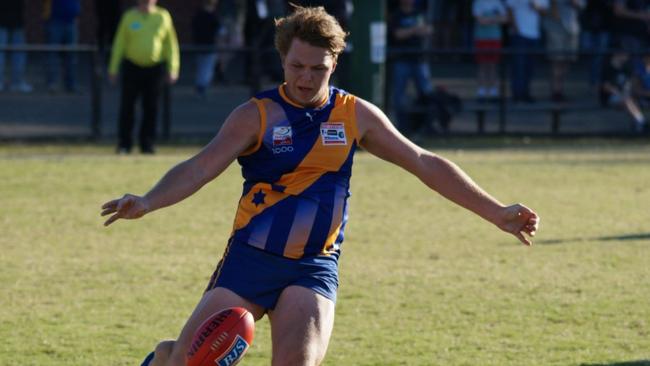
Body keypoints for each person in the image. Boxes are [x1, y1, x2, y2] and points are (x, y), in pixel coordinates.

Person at [100, 6, 540, 366]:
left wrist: (495, 211)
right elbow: (200, 167)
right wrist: (149, 200)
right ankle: (164, 356)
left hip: (313, 266)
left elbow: (423, 161)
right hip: (250, 260)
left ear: (336, 63)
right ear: (282, 60)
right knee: (184, 363)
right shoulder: (254, 115)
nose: (306, 78)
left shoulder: (354, 114)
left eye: (318, 68)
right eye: (297, 66)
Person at [108, 0, 180, 154]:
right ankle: (124, 144)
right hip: (132, 67)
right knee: (128, 106)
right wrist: (113, 68)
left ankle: (147, 144)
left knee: (151, 107)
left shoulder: (162, 16)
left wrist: (173, 67)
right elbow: (120, 43)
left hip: (155, 69)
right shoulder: (129, 17)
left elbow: (170, 44)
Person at [388, 0, 435, 132]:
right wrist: (415, 30)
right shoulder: (396, 15)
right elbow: (397, 34)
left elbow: (429, 29)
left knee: (427, 93)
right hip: (402, 60)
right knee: (399, 96)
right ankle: (401, 127)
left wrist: (411, 31)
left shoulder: (419, 13)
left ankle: (428, 125)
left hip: (420, 59)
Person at [506, 0, 549, 103]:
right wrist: (516, 29)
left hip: (534, 34)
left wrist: (537, 7)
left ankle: (526, 92)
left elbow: (545, 12)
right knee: (518, 66)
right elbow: (509, 9)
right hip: (519, 34)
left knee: (530, 66)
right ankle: (517, 94)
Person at [543, 0, 585, 102]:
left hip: (572, 28)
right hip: (555, 28)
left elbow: (582, 5)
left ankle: (560, 90)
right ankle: (556, 92)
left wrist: (576, 3)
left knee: (566, 61)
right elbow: (545, 7)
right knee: (557, 60)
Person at [600, 49, 647, 132]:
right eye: (624, 54)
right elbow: (606, 87)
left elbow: (629, 84)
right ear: (617, 54)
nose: (626, 57)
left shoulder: (626, 67)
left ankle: (638, 125)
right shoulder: (607, 68)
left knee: (632, 100)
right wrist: (620, 94)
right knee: (627, 100)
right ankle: (641, 121)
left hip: (625, 96)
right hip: (611, 97)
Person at [472, 0, 509, 101]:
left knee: (493, 65)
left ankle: (493, 91)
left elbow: (505, 19)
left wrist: (488, 19)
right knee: (482, 65)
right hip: (481, 38)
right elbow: (480, 21)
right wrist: (496, 18)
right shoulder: (478, 2)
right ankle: (482, 91)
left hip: (495, 38)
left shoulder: (498, 3)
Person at [44, 0, 81, 93]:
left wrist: (77, 13)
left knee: (71, 55)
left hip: (71, 21)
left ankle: (71, 84)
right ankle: (52, 83)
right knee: (53, 54)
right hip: (55, 20)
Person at [0, 0, 32, 93]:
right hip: (2, 20)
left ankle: (17, 82)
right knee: (1, 52)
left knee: (19, 53)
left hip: (18, 20)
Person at [192, 0, 221, 97]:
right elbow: (219, 31)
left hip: (200, 44)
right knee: (206, 67)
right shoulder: (213, 17)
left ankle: (200, 85)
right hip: (209, 45)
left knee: (201, 66)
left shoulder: (198, 15)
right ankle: (202, 86)